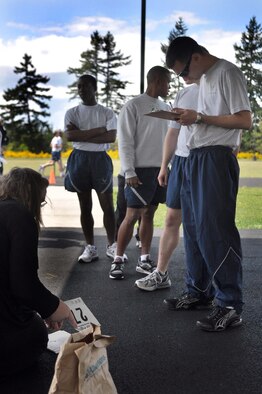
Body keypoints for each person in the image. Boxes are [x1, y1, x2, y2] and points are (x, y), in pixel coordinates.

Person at [164, 36, 252, 331]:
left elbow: (244, 120)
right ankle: (199, 291)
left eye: (183, 71)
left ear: (197, 56)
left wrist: (199, 117)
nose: (183, 78)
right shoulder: (202, 81)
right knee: (193, 227)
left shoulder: (228, 72)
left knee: (215, 229)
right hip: (194, 157)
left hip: (214, 158)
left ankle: (230, 305)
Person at [0, 168, 77, 379]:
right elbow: (23, 285)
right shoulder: (20, 216)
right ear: (30, 194)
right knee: (35, 333)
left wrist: (45, 309)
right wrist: (54, 307)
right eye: (40, 201)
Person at [135, 79, 199, 291]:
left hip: (204, 160)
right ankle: (161, 274)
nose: (179, 74)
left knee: (200, 224)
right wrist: (164, 166)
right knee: (171, 218)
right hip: (180, 162)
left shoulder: (218, 90)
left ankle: (204, 282)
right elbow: (173, 132)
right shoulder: (183, 93)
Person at [109, 66, 172, 280]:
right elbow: (125, 141)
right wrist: (129, 171)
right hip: (137, 172)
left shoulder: (167, 107)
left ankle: (144, 259)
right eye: (167, 82)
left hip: (160, 170)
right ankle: (118, 259)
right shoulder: (133, 106)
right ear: (156, 80)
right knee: (131, 215)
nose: (169, 86)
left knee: (149, 213)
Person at [64, 74, 117, 263]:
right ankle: (90, 247)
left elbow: (111, 138)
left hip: (100, 160)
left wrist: (82, 135)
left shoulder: (107, 112)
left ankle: (112, 246)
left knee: (107, 206)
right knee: (85, 206)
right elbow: (70, 136)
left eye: (85, 86)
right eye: (78, 87)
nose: (81, 90)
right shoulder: (72, 112)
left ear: (95, 89)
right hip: (79, 160)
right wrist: (99, 130)